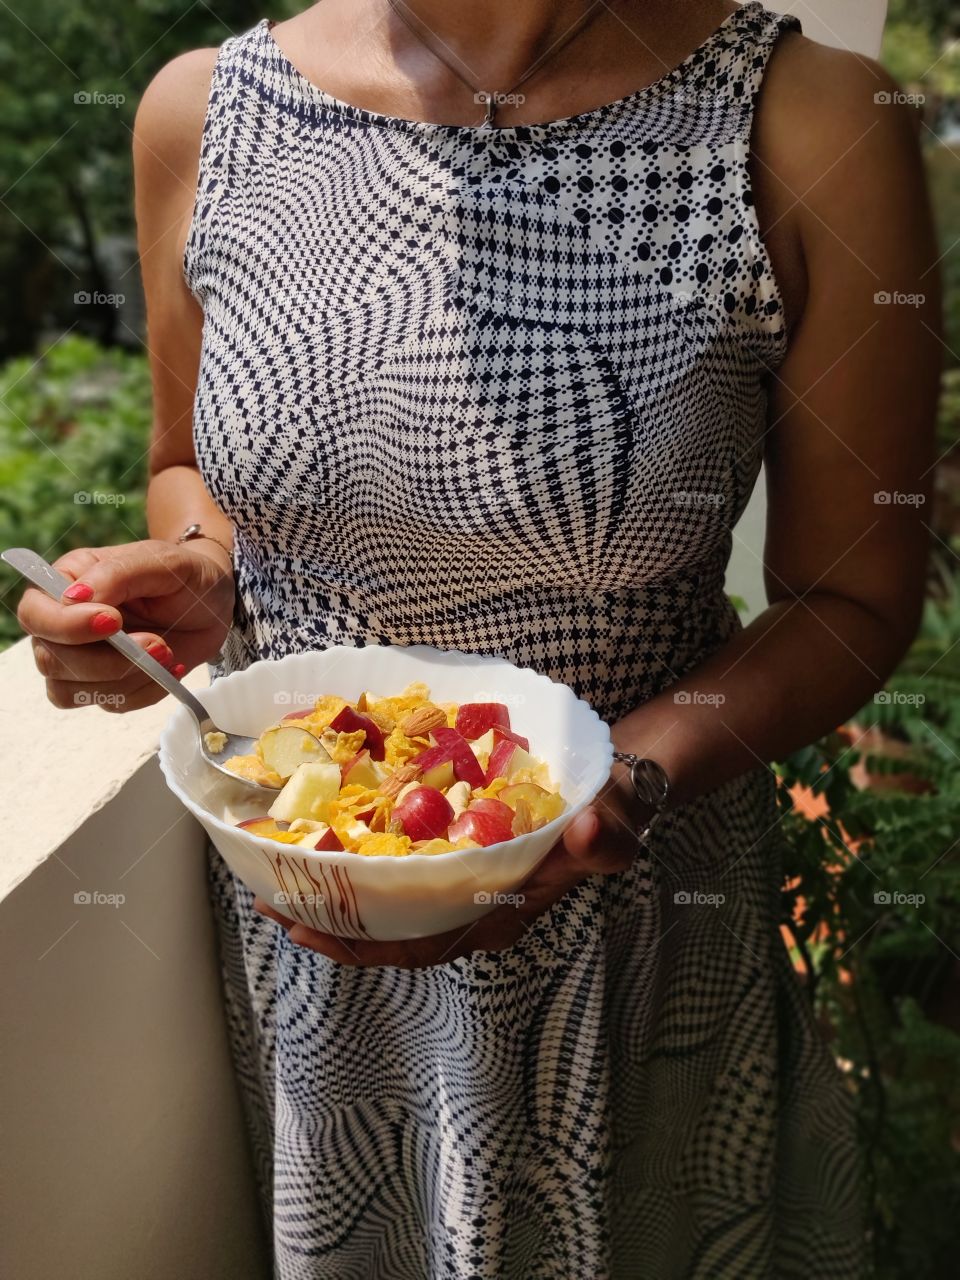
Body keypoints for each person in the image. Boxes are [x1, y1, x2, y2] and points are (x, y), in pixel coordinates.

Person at [17, 2, 940, 1275]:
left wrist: (631, 768)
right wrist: (198, 570)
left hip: (635, 913)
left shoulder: (804, 116)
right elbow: (188, 469)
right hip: (321, 919)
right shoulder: (204, 110)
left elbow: (853, 595)